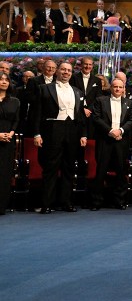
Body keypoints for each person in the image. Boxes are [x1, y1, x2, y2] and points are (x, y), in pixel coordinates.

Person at [32, 62, 87, 214]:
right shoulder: (44, 88)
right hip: (52, 129)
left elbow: (81, 115)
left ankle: (66, 202)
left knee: (69, 167)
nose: (66, 72)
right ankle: (46, 203)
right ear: (57, 71)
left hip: (73, 130)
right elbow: (36, 113)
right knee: (50, 167)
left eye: (69, 70)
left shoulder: (78, 91)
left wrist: (83, 134)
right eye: (63, 69)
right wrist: (37, 133)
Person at [90, 79, 132, 210]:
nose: (117, 89)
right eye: (115, 87)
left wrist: (120, 130)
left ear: (123, 89)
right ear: (111, 88)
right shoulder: (101, 100)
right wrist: (110, 131)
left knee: (121, 171)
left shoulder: (129, 103)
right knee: (101, 171)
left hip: (122, 140)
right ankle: (96, 202)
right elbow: (96, 118)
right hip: (105, 140)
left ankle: (120, 201)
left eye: (120, 87)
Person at [0, 73, 20, 215]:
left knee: (5, 173)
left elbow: (16, 121)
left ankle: (2, 206)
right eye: (1, 79)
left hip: (8, 140)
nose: (4, 82)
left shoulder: (15, 101)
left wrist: (11, 134)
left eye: (6, 80)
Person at [69, 57, 102, 138]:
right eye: (86, 64)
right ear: (81, 65)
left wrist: (89, 109)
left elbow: (98, 97)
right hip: (76, 112)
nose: (88, 66)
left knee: (90, 137)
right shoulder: (73, 77)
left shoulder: (97, 80)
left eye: (90, 64)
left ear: (92, 66)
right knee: (76, 137)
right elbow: (71, 94)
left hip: (91, 114)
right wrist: (82, 108)